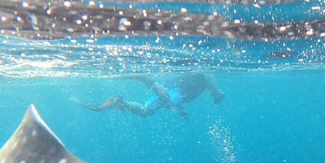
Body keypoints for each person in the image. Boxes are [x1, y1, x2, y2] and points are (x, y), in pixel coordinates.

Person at [75, 72, 224, 118]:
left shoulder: (204, 79)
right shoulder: (208, 77)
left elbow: (182, 96)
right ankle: (147, 80)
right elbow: (216, 93)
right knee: (168, 99)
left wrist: (181, 110)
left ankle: (121, 103)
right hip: (174, 90)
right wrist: (218, 97)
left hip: (174, 90)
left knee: (146, 112)